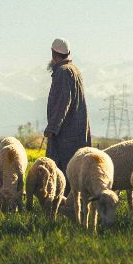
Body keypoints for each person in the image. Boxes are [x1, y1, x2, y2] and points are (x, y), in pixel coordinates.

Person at [44, 38, 91, 181]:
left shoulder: (63, 72)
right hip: (78, 133)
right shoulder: (74, 70)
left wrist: (52, 128)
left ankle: (61, 203)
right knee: (76, 173)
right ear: (68, 53)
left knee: (59, 173)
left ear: (53, 53)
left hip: (65, 136)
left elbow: (63, 103)